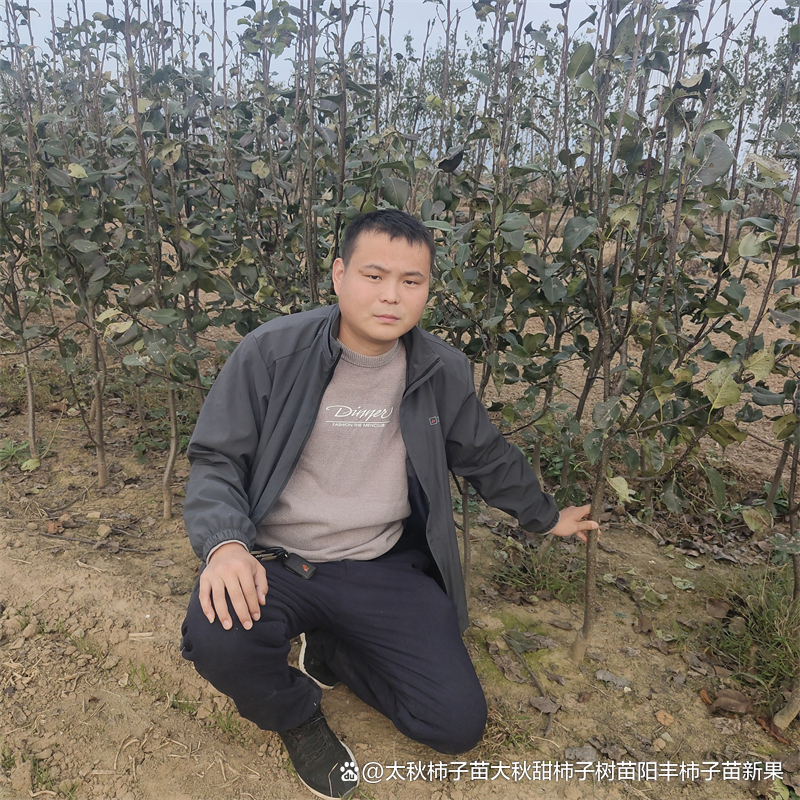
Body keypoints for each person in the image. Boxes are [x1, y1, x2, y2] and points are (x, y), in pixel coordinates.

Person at [179, 209, 598, 800]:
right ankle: (298, 717)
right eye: (374, 277)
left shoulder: (439, 371)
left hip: (380, 563)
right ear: (339, 276)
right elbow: (218, 459)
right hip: (277, 561)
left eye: (411, 281)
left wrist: (547, 516)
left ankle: (336, 651)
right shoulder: (271, 354)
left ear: (428, 288)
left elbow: (482, 454)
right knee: (219, 636)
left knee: (453, 724)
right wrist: (225, 545)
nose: (391, 297)